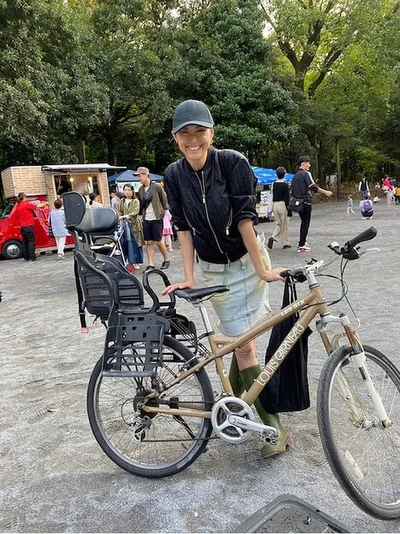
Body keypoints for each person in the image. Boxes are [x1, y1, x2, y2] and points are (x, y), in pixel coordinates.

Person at [162, 99, 289, 459]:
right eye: (185, 134)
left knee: (242, 341)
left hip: (249, 262)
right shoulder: (173, 175)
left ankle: (235, 406)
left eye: (199, 132)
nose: (193, 140)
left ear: (211, 133)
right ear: (175, 138)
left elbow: (245, 219)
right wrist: (188, 277)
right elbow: (183, 229)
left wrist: (263, 269)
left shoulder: (233, 162)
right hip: (214, 268)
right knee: (244, 344)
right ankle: (272, 427)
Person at [291, 155, 333, 253]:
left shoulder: (295, 175)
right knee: (305, 223)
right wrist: (326, 192)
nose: (309, 165)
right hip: (305, 202)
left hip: (298, 203)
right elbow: (313, 186)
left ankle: (302, 242)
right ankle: (301, 245)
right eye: (308, 163)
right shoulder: (306, 174)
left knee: (303, 222)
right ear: (303, 164)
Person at [136, 167, 170, 270]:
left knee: (159, 241)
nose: (139, 178)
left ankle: (166, 259)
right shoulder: (140, 189)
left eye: (140, 175)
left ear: (146, 175)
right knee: (149, 242)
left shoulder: (156, 187)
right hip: (146, 218)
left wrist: (165, 211)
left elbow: (164, 199)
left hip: (157, 217)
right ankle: (151, 264)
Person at [115, 183, 144, 269]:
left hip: (135, 225)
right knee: (126, 243)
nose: (127, 192)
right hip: (125, 225)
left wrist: (124, 216)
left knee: (136, 243)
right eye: (125, 190)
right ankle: (129, 260)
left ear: (132, 191)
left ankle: (137, 261)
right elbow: (118, 210)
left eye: (129, 190)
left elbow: (135, 212)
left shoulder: (136, 201)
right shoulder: (121, 201)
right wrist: (120, 216)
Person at [11, 192, 46, 261]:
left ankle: (26, 257)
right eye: (25, 197)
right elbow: (36, 207)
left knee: (25, 242)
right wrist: (45, 204)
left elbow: (17, 217)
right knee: (31, 241)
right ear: (23, 197)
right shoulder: (26, 204)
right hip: (28, 225)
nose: (26, 198)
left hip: (22, 226)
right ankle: (32, 257)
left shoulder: (18, 206)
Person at [268, 167, 291, 249]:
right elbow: (287, 199)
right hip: (282, 205)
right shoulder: (285, 185)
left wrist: (270, 208)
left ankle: (273, 236)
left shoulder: (273, 184)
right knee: (285, 224)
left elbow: (271, 196)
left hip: (275, 204)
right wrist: (289, 210)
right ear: (284, 175)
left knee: (278, 224)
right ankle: (285, 242)